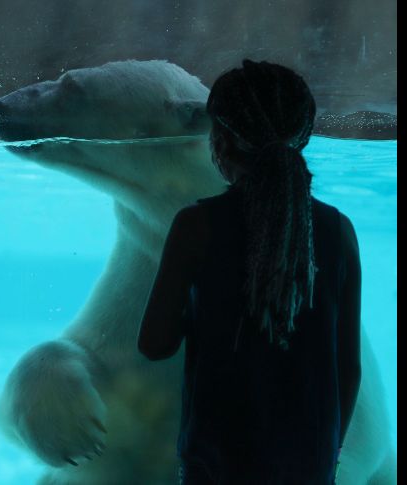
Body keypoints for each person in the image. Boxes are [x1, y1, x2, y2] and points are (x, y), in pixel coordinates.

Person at [137, 60, 361, 484]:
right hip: (310, 463)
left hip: (217, 462)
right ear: (304, 135)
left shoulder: (196, 225)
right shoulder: (338, 230)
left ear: (220, 139)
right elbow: (348, 367)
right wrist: (329, 454)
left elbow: (155, 343)